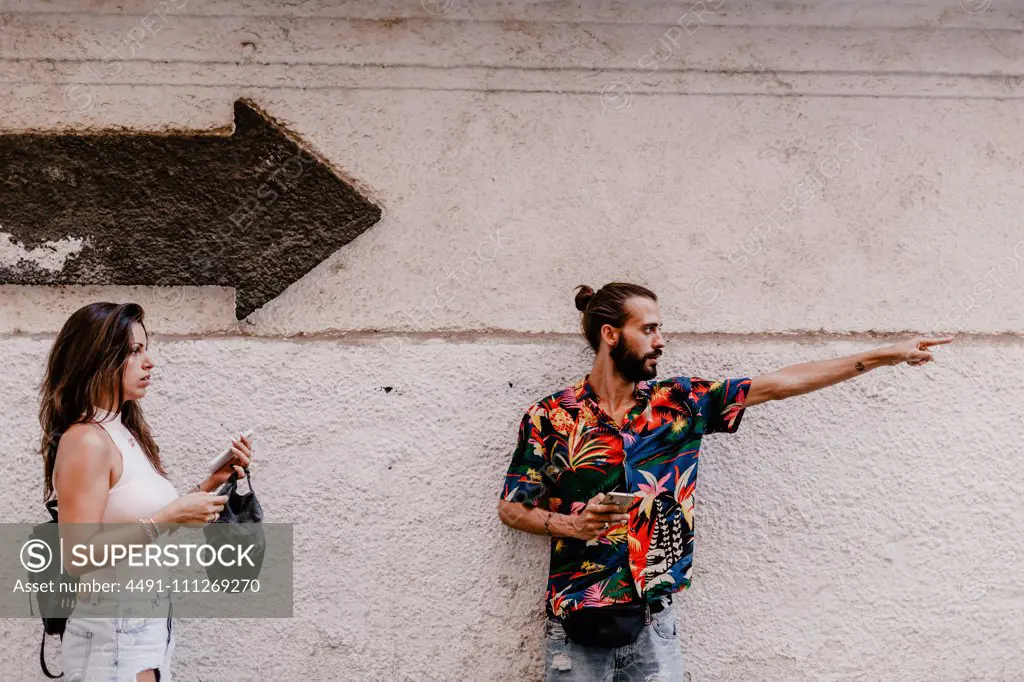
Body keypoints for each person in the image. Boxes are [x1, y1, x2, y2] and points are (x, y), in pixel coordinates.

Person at [497, 282, 952, 681]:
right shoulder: (551, 416)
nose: (661, 341)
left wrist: (882, 356)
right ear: (611, 335)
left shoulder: (681, 403)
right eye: (649, 329)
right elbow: (513, 508)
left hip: (654, 621)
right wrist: (572, 525)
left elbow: (781, 384)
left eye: (660, 329)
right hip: (575, 620)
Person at [39, 302, 254, 681]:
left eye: (145, 347)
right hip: (112, 636)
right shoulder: (86, 441)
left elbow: (137, 520)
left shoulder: (122, 431)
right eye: (134, 351)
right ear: (97, 359)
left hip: (146, 628)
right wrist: (167, 518)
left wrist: (208, 486)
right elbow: (78, 555)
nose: (149, 361)